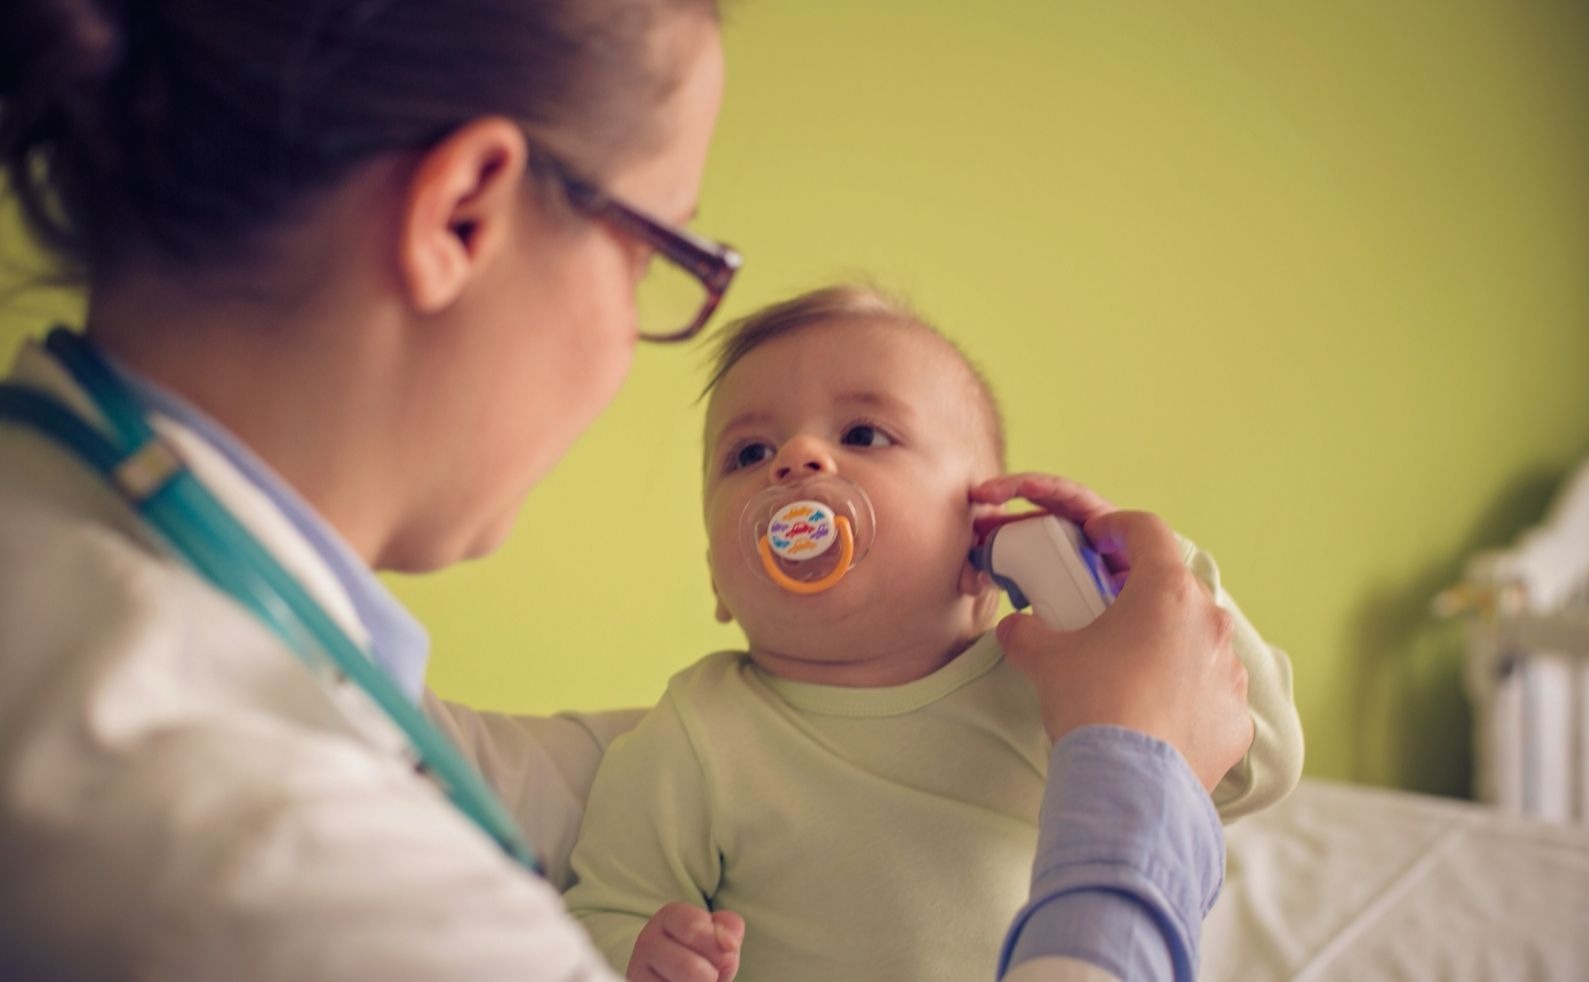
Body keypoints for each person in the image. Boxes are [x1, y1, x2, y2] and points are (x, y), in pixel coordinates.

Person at [0, 1, 1255, 980]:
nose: (798, 468)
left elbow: (497, 762)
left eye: (867, 433)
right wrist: (1133, 771)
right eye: (668, 253)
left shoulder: (77, 560)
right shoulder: (274, 849)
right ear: (464, 216)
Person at [563, 285, 1304, 981]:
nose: (795, 460)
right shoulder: (698, 732)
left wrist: (1165, 578)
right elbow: (598, 909)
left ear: (984, 539)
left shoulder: (1061, 678)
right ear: (717, 580)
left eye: (862, 433)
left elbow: (1252, 767)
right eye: (748, 454)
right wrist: (642, 952)